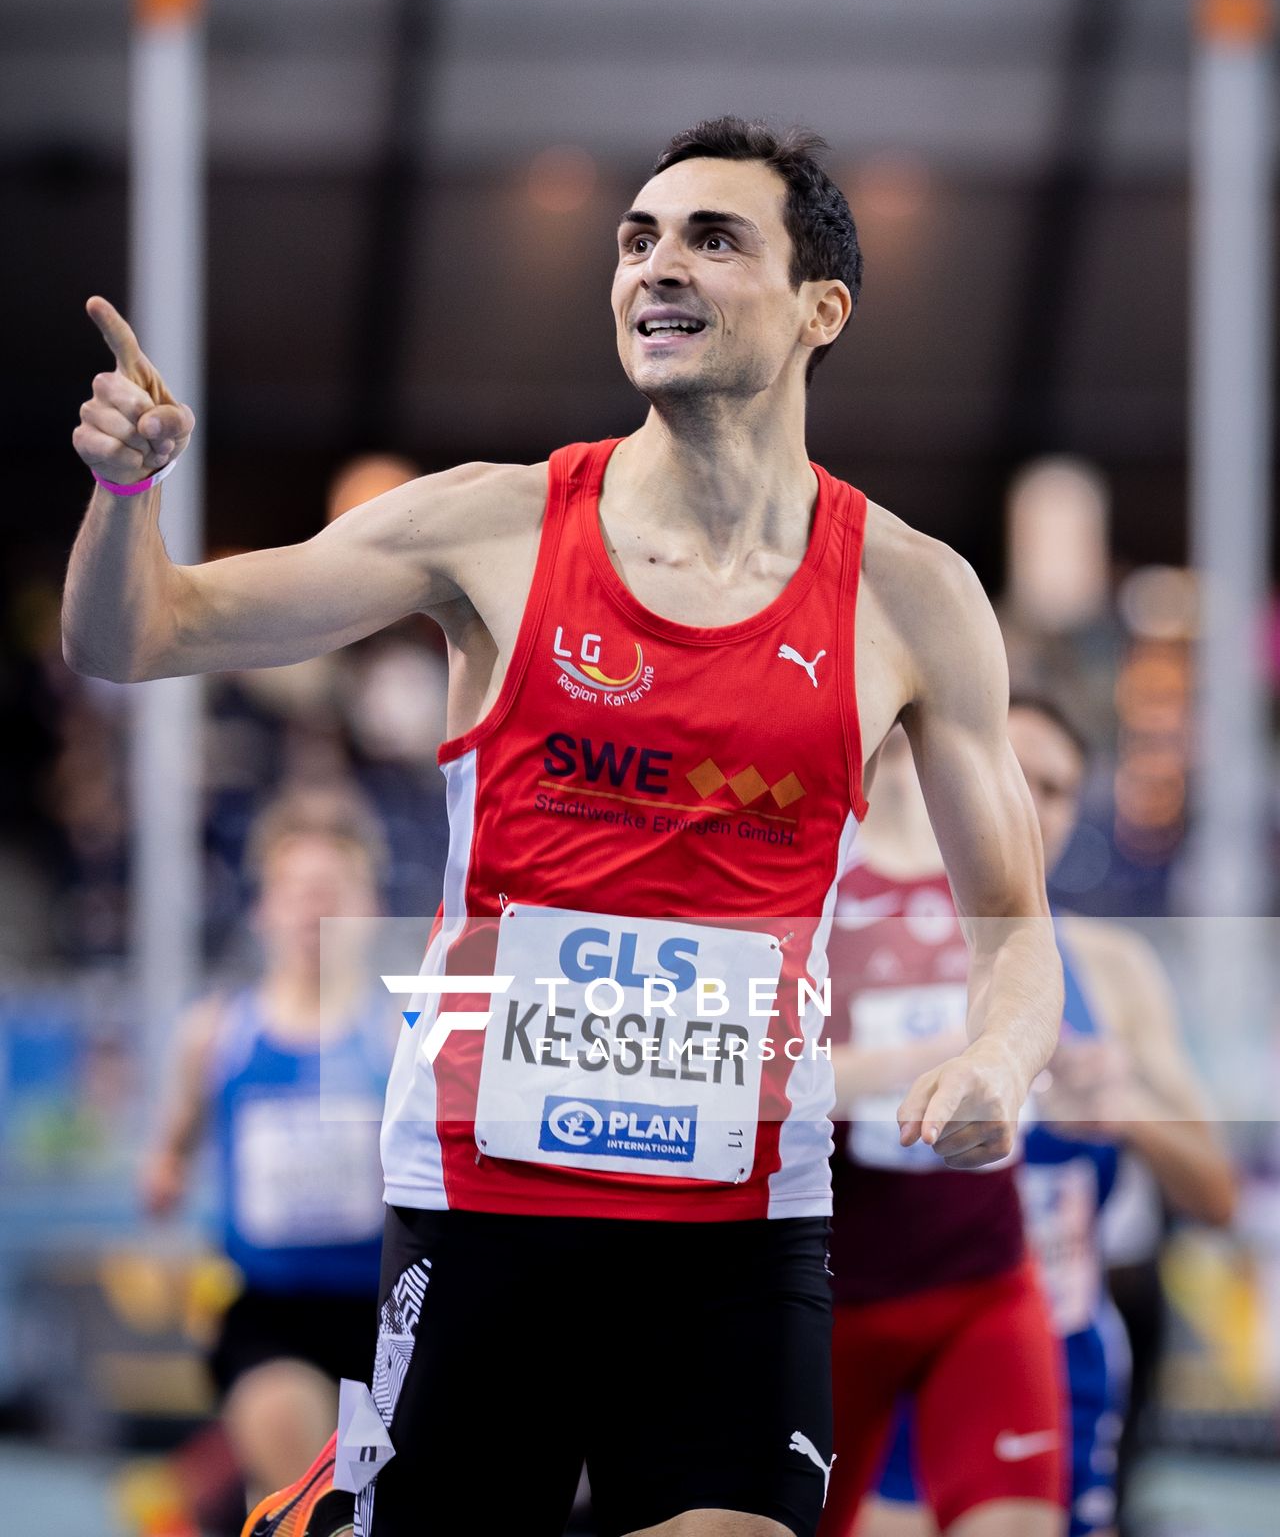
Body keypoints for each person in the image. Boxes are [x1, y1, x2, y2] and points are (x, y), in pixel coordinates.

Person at [64, 116, 1063, 1537]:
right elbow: (140, 636)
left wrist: (999, 1054)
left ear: (820, 308)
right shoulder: (497, 530)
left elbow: (1015, 927)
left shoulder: (912, 594)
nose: (657, 267)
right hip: (485, 1209)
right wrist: (125, 493)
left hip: (740, 1228)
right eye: (637, 239)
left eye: (713, 239)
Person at [849, 696, 1237, 1537]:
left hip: (1046, 1347)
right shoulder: (860, 930)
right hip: (879, 1315)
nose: (1029, 808)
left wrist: (1121, 1110)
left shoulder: (1111, 968)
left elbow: (1218, 1196)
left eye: (1056, 789)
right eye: (1014, 777)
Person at [821, 724, 1066, 1537]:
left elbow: (1038, 1031)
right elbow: (751, 1079)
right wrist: (918, 1059)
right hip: (831, 1293)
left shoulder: (1003, 897)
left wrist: (1019, 1064)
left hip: (982, 1281)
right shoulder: (818, 883)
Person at [140, 791, 390, 1517]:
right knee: (288, 1456)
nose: (314, 913)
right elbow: (172, 1150)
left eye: (332, 893)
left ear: (368, 908)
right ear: (264, 910)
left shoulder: (401, 1038)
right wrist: (163, 1180)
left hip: (382, 1320)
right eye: (297, 892)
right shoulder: (217, 1034)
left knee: (372, 1507)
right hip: (268, 1313)